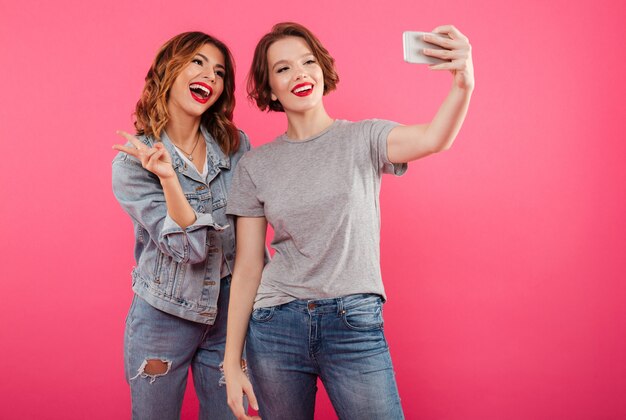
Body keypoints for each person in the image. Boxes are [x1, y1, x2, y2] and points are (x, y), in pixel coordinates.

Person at [223, 22, 474, 420]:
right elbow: (249, 265)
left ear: (322, 70)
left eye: (308, 62)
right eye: (283, 68)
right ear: (270, 89)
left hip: (353, 321)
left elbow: (435, 138)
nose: (300, 73)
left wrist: (463, 82)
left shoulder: (365, 138)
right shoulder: (256, 166)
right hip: (276, 325)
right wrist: (231, 362)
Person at [111, 31, 249, 420]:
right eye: (198, 62)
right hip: (162, 316)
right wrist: (170, 178)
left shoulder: (236, 147)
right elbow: (189, 249)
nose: (210, 75)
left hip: (229, 313)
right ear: (168, 71)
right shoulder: (131, 165)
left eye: (220, 71)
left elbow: (252, 232)